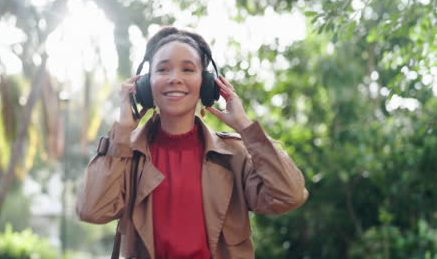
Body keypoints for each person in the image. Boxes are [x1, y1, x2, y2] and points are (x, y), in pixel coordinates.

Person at [76, 26, 309, 259]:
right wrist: (122, 132)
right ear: (145, 85)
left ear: (207, 84)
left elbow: (290, 195)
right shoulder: (127, 154)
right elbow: (92, 211)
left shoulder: (234, 155)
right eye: (163, 69)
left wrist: (246, 127)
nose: (175, 78)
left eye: (188, 69)